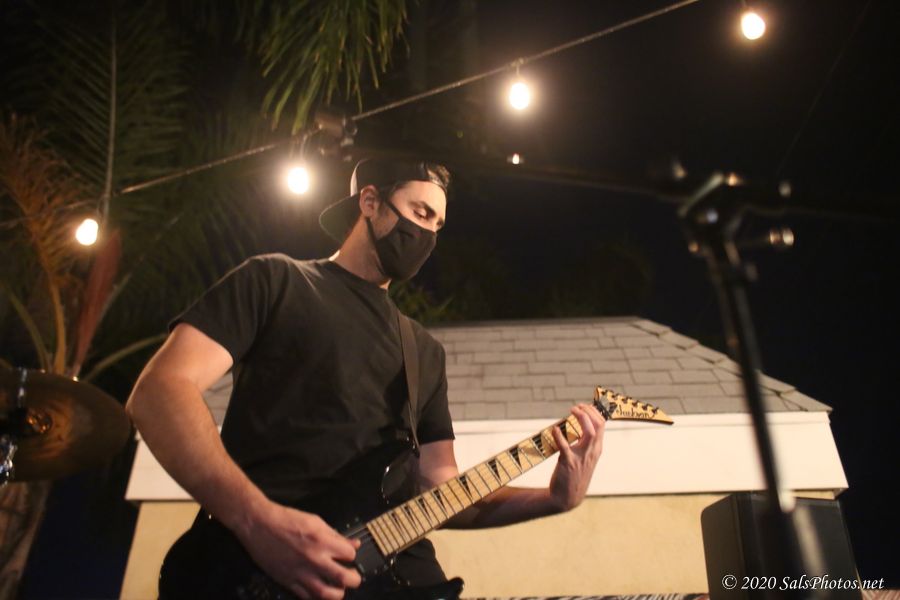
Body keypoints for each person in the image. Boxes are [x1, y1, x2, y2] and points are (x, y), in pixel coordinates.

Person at [126, 158, 606, 599]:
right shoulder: (276, 281)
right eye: (419, 212)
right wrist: (255, 521)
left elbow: (439, 491)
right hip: (251, 575)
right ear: (370, 202)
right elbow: (159, 391)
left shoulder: (423, 352)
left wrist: (552, 499)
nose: (427, 233)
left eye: (437, 225)